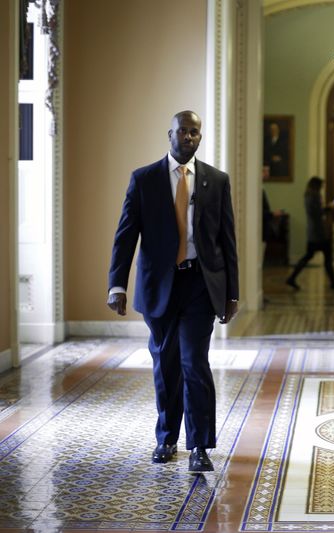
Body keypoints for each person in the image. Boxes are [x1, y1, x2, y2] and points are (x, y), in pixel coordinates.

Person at [107, 110, 239, 474]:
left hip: (200, 283)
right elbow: (125, 236)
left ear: (200, 137)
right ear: (170, 134)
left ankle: (199, 445)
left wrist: (232, 294)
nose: (189, 138)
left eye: (195, 132)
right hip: (159, 286)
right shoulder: (144, 179)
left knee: (194, 362)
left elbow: (227, 241)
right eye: (183, 131)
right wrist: (116, 284)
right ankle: (167, 438)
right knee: (165, 364)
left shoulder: (216, 180)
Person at [286, 176, 334, 290]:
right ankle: (333, 282)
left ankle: (292, 278)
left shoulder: (308, 196)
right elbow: (318, 213)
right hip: (319, 232)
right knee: (326, 258)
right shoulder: (314, 196)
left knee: (309, 256)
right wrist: (329, 207)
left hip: (313, 232)